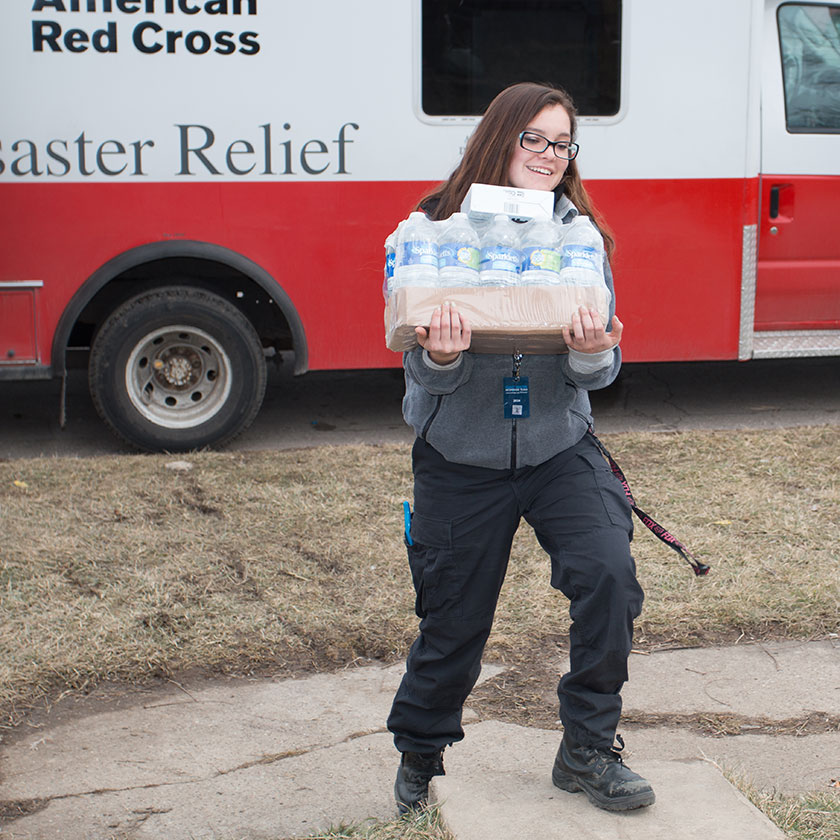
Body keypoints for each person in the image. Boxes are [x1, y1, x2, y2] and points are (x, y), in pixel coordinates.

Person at [386, 82, 655, 814]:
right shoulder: (433, 226)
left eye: (561, 142)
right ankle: (420, 754)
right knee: (454, 615)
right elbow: (417, 367)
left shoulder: (579, 237)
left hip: (557, 447)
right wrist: (441, 357)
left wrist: (595, 351)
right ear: (500, 137)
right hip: (460, 457)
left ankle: (588, 750)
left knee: (607, 576)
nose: (547, 154)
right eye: (533, 137)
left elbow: (597, 371)